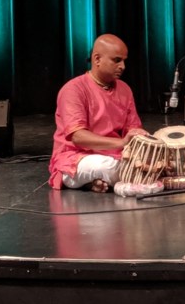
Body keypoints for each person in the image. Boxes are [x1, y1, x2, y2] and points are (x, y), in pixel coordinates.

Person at [48, 34, 151, 193]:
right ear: (97, 59)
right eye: (117, 60)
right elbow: (78, 137)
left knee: (154, 161)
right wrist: (122, 143)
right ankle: (90, 179)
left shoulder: (124, 89)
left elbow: (132, 128)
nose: (122, 66)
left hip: (115, 155)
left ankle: (92, 182)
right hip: (76, 157)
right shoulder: (73, 89)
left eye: (124, 61)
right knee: (106, 166)